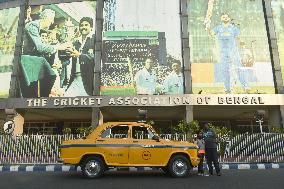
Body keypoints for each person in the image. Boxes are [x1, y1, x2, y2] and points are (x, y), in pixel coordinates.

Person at [21, 9, 70, 97]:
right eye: (51, 20)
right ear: (46, 18)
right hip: (26, 61)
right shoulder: (33, 26)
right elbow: (40, 47)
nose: (51, 23)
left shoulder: (37, 28)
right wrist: (58, 47)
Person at [209, 13, 249, 93]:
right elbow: (211, 33)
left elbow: (238, 38)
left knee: (239, 69)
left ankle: (246, 86)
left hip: (233, 51)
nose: (225, 18)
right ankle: (227, 89)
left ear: (229, 18)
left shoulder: (234, 28)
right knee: (225, 71)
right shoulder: (218, 28)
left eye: (226, 17)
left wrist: (243, 46)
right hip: (223, 53)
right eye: (223, 17)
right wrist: (207, 27)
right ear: (221, 19)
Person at [65, 17, 95, 96]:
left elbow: (97, 58)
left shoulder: (95, 40)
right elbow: (69, 59)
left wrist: (80, 55)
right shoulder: (76, 42)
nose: (83, 27)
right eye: (81, 25)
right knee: (66, 99)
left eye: (86, 25)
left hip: (89, 81)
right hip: (75, 78)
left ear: (91, 27)